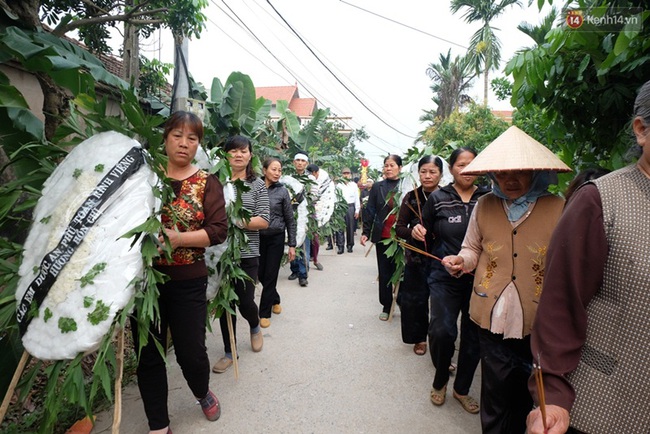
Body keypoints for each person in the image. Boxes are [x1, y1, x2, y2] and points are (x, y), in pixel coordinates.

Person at [526, 80, 650, 434]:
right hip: (608, 406)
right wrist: (551, 396)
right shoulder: (599, 201)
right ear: (641, 130)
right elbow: (560, 303)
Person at [441, 126, 570, 434]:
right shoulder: (484, 205)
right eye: (501, 174)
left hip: (539, 322)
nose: (509, 180)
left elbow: (567, 265)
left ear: (535, 172)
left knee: (532, 401)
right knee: (495, 395)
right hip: (491, 317)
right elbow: (471, 247)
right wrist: (461, 261)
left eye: (518, 172)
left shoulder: (559, 207)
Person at [131, 111, 228, 434]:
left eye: (192, 138)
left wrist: (179, 239)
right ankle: (158, 423)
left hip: (188, 279)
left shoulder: (206, 182)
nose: (184, 144)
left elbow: (217, 231)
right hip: (145, 283)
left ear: (198, 144)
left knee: (191, 353)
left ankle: (202, 391)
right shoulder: (144, 178)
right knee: (148, 355)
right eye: (177, 136)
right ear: (165, 137)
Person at [420, 148, 489, 414]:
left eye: (471, 165)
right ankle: (440, 379)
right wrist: (417, 232)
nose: (466, 170)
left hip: (479, 279)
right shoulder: (437, 198)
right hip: (443, 276)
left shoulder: (489, 199)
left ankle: (462, 389)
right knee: (442, 331)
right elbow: (425, 237)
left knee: (474, 338)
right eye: (461, 165)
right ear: (451, 169)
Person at [212, 135, 270, 374]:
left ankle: (254, 325)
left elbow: (264, 219)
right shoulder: (216, 180)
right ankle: (229, 351)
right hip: (218, 252)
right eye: (233, 150)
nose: (238, 155)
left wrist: (236, 221)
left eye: (243, 151)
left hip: (246, 252)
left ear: (250, 155)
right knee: (225, 303)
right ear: (225, 154)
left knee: (245, 300)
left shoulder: (257, 185)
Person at [395, 155, 443, 356]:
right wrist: (412, 231)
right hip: (416, 258)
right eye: (423, 171)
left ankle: (439, 341)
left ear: (441, 174)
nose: (427, 176)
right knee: (416, 300)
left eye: (432, 171)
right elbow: (399, 228)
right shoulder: (411, 197)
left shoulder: (447, 197)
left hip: (442, 257)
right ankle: (419, 338)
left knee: (441, 304)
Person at [360, 154, 403, 321]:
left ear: (400, 167)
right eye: (386, 165)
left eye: (392, 165)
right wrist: (365, 232)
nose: (388, 168)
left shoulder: (406, 184)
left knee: (402, 272)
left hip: (402, 238)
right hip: (383, 236)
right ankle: (386, 304)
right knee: (385, 272)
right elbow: (370, 210)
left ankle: (401, 300)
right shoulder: (378, 187)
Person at [258, 158, 297, 328]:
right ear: (264, 169)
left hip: (276, 237)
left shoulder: (282, 192)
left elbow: (290, 219)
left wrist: (292, 245)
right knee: (260, 273)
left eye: (279, 170)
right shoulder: (255, 187)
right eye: (274, 169)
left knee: (270, 273)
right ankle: (275, 298)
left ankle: (264, 313)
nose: (277, 173)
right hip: (257, 236)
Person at [288, 152, 312, 286]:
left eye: (303, 161)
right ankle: (294, 269)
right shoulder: (288, 179)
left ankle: (303, 274)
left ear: (306, 164)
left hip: (305, 218)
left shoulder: (311, 180)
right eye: (298, 160)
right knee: (292, 242)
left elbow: (315, 198)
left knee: (303, 245)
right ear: (293, 162)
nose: (300, 163)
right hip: (291, 216)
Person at [336, 167, 360, 254]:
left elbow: (357, 198)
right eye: (344, 173)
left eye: (347, 173)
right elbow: (336, 198)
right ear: (342, 175)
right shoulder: (338, 185)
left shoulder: (354, 185)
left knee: (350, 227)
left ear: (350, 174)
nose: (346, 175)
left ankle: (350, 245)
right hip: (340, 207)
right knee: (340, 227)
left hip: (350, 207)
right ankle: (340, 246)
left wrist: (357, 210)